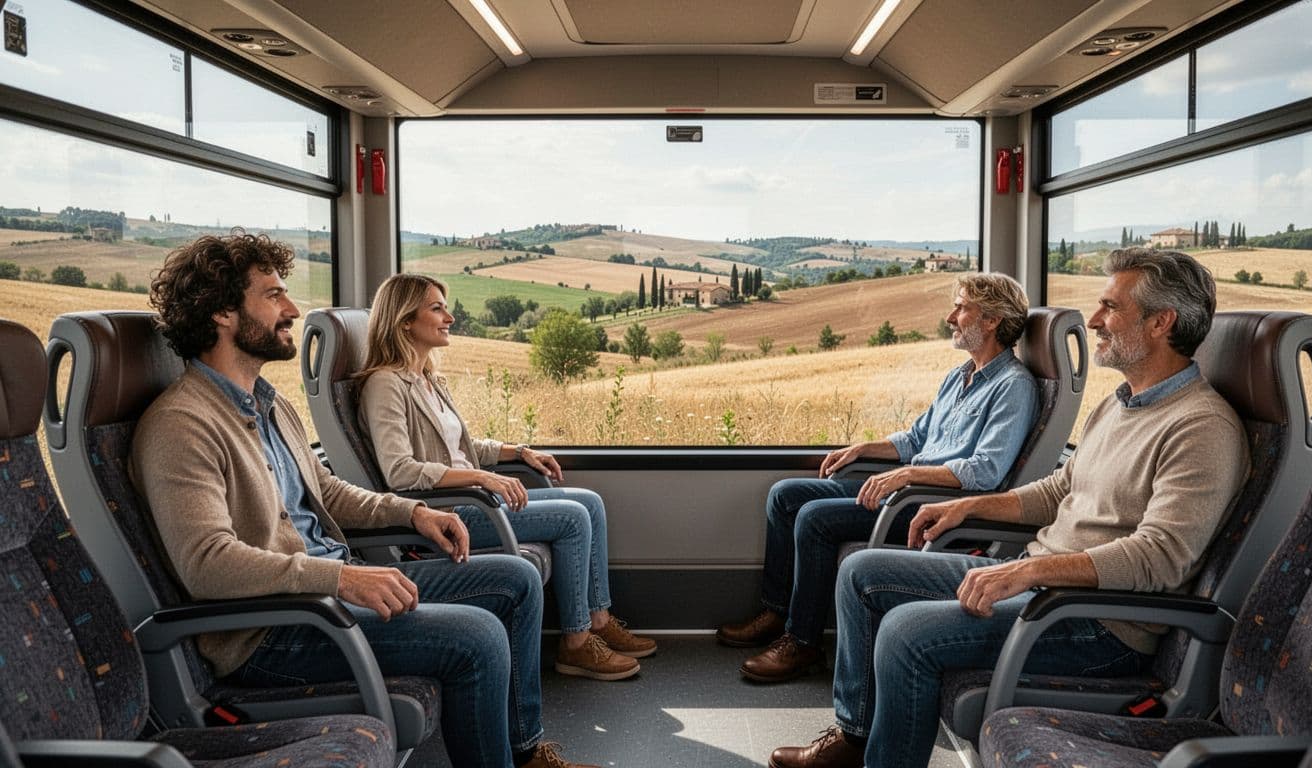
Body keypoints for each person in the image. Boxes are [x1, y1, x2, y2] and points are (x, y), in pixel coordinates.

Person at [769, 248, 1250, 768]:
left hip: (1096, 621)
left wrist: (1029, 571)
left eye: (1110, 307)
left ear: (1161, 322)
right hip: (1041, 582)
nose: (1093, 320)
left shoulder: (1201, 428)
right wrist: (967, 508)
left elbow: (1161, 557)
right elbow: (1059, 489)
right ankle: (856, 737)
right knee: (861, 573)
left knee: (906, 634)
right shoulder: (1120, 402)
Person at [130, 231, 594, 768]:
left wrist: (414, 513)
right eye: (273, 295)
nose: (292, 308)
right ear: (221, 314)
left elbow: (324, 492)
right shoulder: (181, 425)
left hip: (332, 585)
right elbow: (207, 565)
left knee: (515, 580)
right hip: (276, 629)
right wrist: (343, 579)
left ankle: (524, 751)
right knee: (479, 636)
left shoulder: (268, 402)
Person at [717, 273, 1039, 683]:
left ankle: (803, 643)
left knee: (814, 519)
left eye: (961, 307)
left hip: (931, 505)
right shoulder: (959, 378)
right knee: (785, 495)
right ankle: (777, 612)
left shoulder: (1014, 387)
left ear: (991, 320)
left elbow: (986, 471)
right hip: (908, 487)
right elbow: (918, 438)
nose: (950, 316)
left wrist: (906, 474)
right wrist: (864, 449)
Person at [357, 273, 655, 682]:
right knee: (572, 518)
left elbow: (460, 446)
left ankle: (599, 620)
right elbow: (399, 470)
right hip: (452, 511)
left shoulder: (428, 380)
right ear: (405, 320)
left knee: (590, 502)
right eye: (437, 308)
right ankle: (576, 644)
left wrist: (518, 452)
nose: (450, 317)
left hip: (472, 494)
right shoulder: (385, 384)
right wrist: (480, 478)